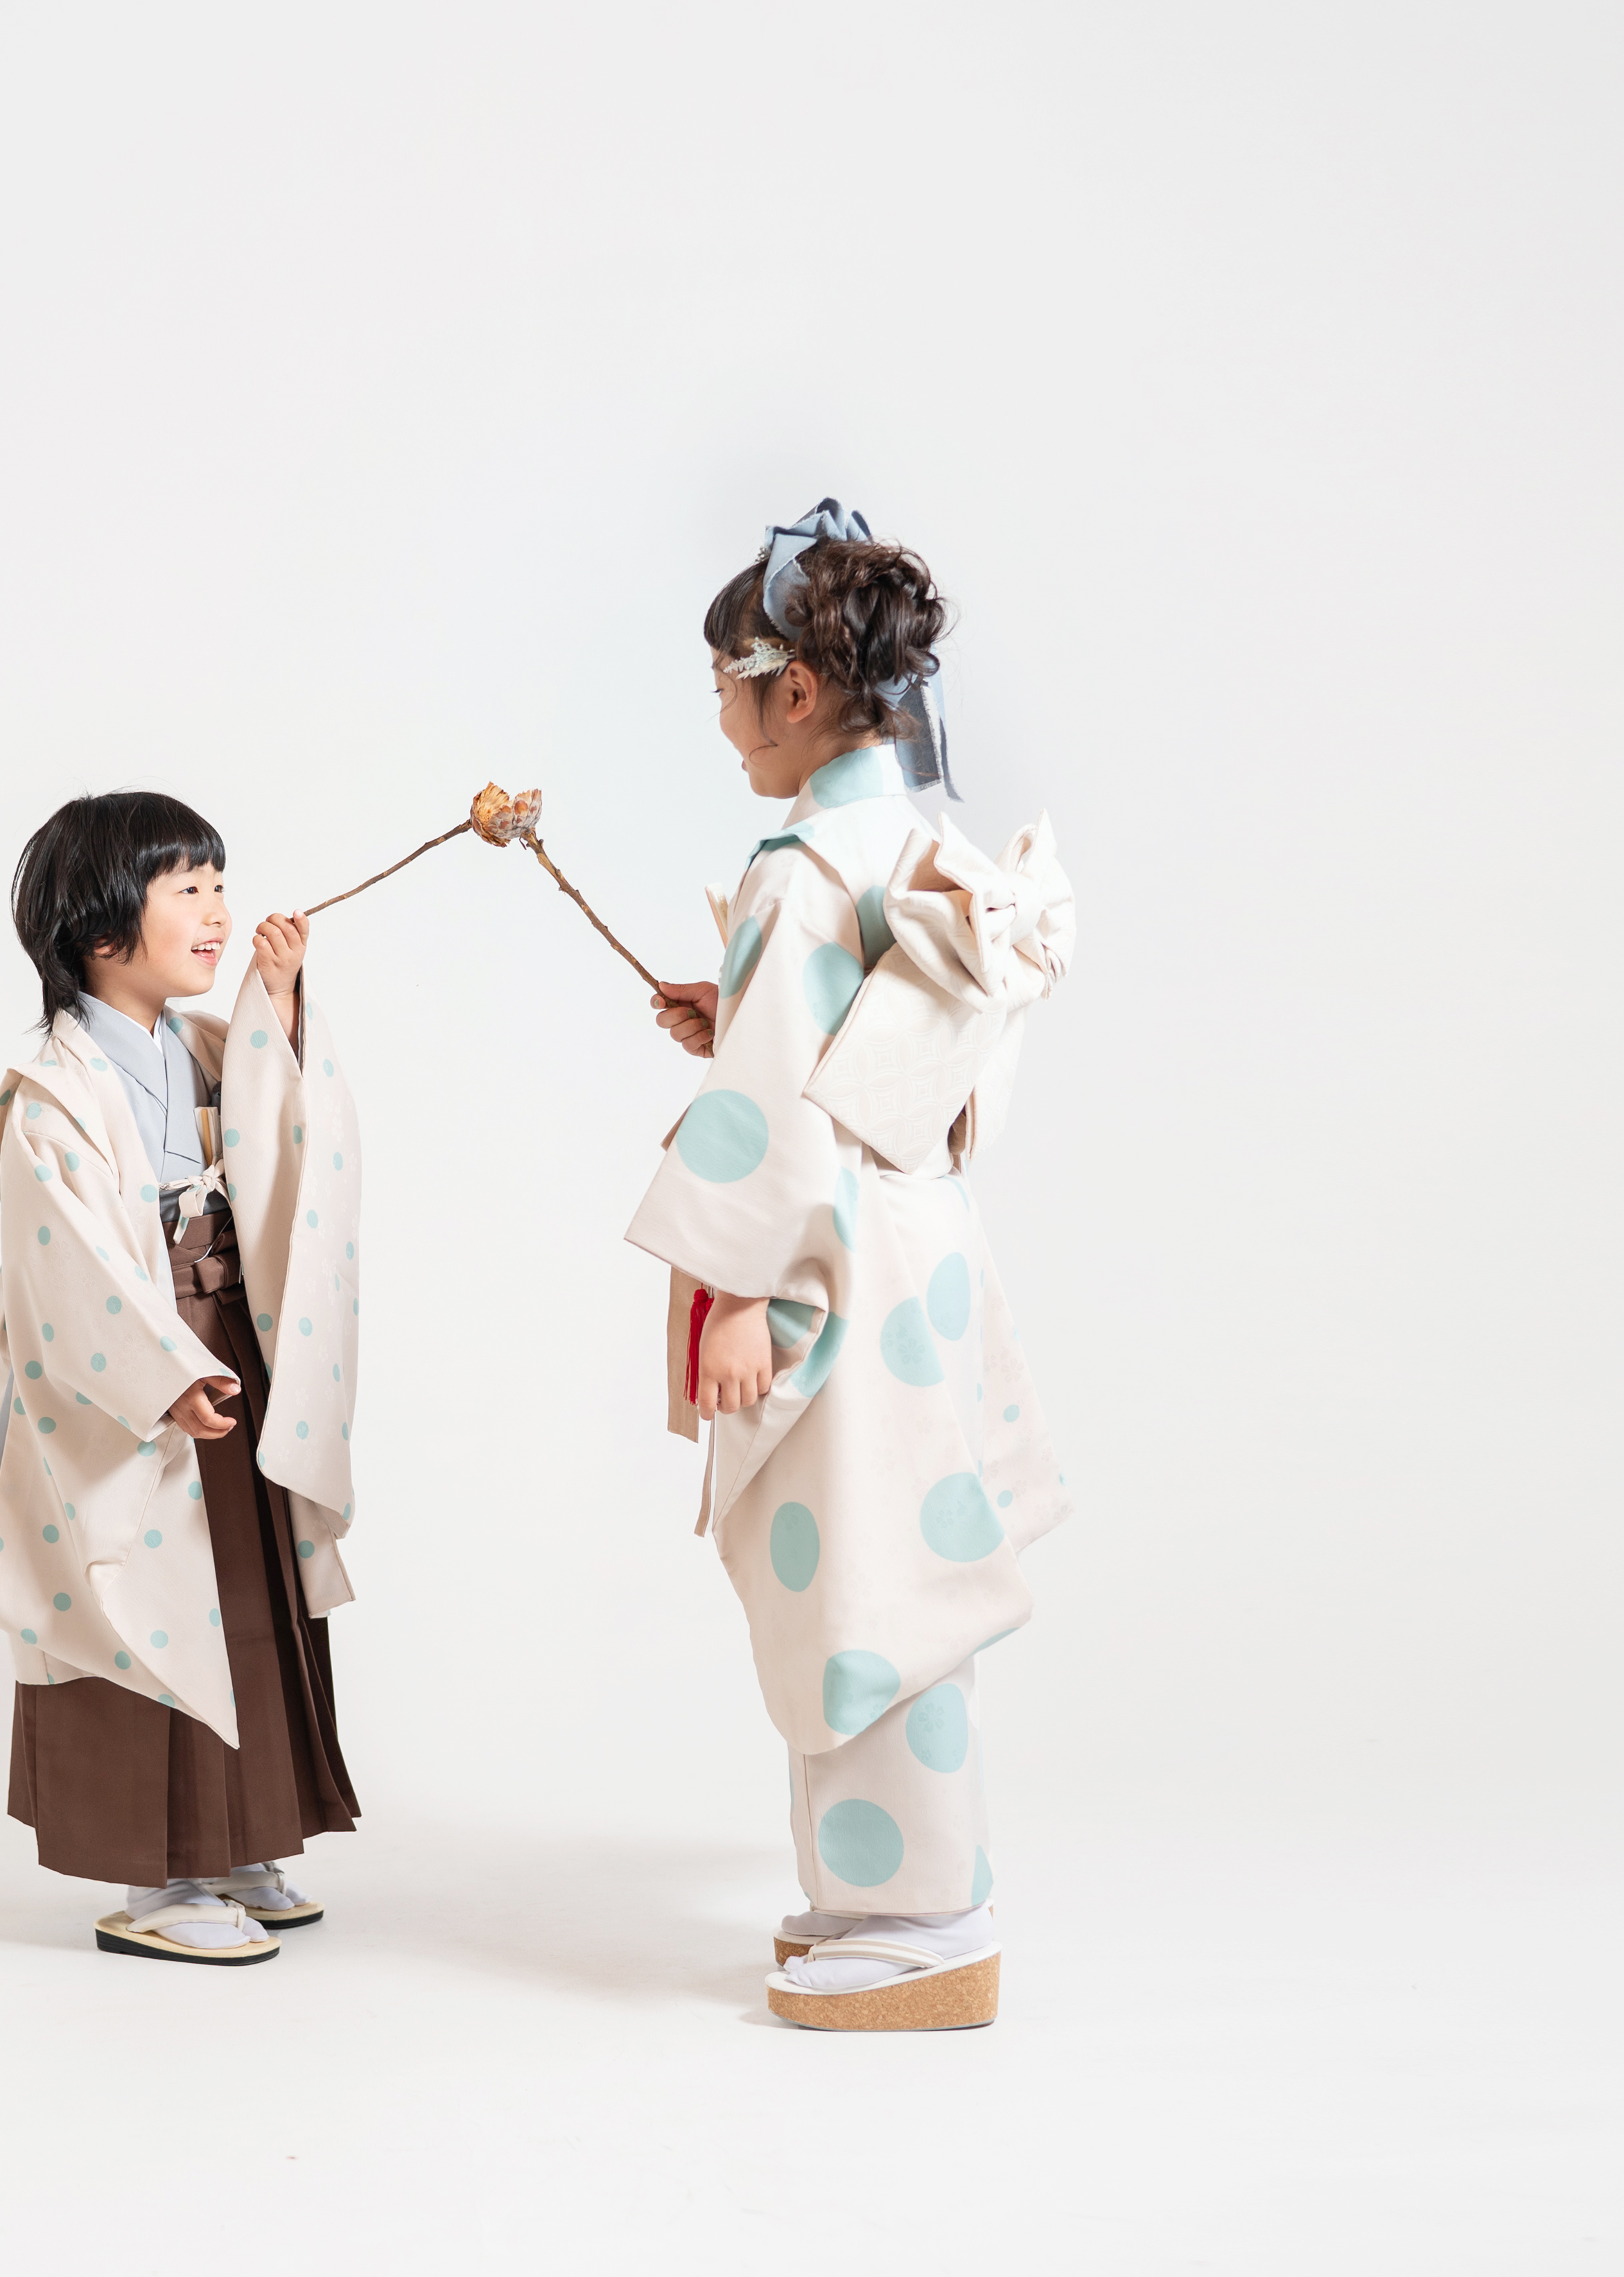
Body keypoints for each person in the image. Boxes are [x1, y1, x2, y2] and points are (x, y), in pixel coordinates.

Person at [633, 502, 1076, 2030]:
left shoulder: (801, 863)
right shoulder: (934, 848)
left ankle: (925, 1917)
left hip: (825, 1261)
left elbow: (777, 1101)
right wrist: (741, 1015)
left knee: (860, 1590)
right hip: (920, 1242)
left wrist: (742, 1291)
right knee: (900, 1562)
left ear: (800, 691)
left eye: (729, 693)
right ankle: (874, 1892)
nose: (725, 727)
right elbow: (903, 1067)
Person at [0, 791, 365, 1964]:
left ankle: (238, 1841)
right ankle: (161, 1874)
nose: (218, 911)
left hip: (227, 1340)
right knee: (139, 1598)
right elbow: (63, 1262)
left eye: (219, 885)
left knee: (241, 1591)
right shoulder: (53, 1091)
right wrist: (156, 1372)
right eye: (186, 889)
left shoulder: (208, 1047)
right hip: (131, 1376)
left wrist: (280, 1008)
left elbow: (291, 1139)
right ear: (99, 931)